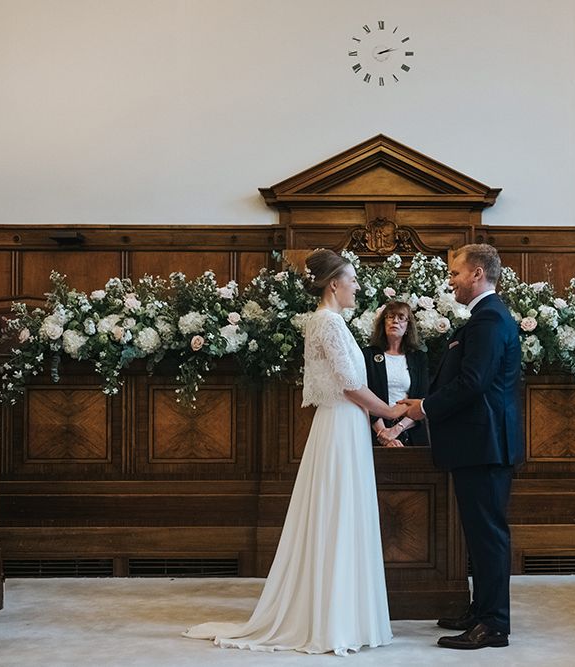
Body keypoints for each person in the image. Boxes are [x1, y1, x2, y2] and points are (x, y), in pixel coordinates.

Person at [183, 248, 407, 655]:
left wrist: (378, 416)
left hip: (343, 425)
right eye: (353, 280)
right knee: (338, 511)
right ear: (334, 283)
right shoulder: (328, 323)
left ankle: (342, 615)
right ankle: (333, 621)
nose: (357, 286)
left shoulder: (330, 321)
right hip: (340, 425)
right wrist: (389, 411)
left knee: (341, 512)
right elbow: (349, 385)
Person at [401, 243, 523, 650]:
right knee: (479, 534)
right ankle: (481, 610)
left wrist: (424, 408)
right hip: (477, 444)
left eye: (455, 273)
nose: (450, 280)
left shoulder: (489, 319)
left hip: (484, 444)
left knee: (488, 536)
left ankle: (494, 625)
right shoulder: (484, 317)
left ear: (477, 274)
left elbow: (473, 383)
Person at [362, 301, 429, 447]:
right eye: (390, 316)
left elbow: (422, 397)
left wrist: (396, 430)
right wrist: (384, 433)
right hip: (375, 432)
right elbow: (365, 396)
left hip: (411, 430)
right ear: (383, 323)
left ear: (407, 327)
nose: (395, 321)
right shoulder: (368, 355)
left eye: (401, 317)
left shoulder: (418, 357)